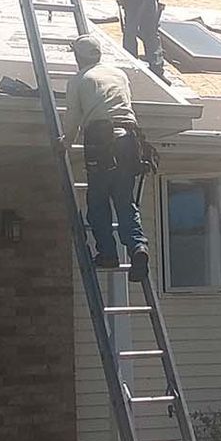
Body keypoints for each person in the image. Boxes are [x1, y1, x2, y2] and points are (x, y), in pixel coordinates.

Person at [61, 33, 149, 280]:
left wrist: (65, 143)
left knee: (98, 200)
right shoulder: (119, 74)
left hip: (101, 140)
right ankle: (137, 247)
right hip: (130, 140)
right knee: (124, 200)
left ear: (78, 56)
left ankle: (108, 253)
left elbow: (73, 117)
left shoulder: (80, 79)